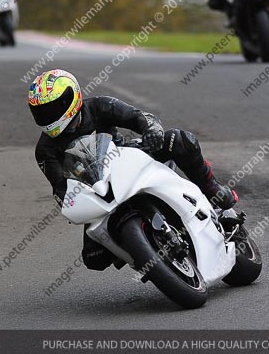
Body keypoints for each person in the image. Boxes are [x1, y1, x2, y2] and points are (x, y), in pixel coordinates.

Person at [28, 69, 238, 270]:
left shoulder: (100, 106)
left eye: (52, 108)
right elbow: (60, 187)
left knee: (180, 140)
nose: (47, 116)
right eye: (41, 112)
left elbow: (140, 117)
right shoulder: (44, 150)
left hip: (128, 158)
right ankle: (141, 253)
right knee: (94, 259)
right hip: (96, 188)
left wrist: (152, 130)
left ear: (70, 98)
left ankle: (212, 189)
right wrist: (69, 200)